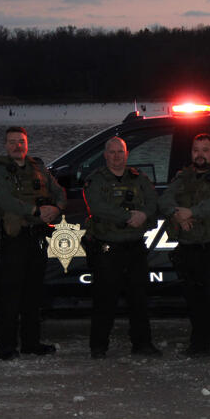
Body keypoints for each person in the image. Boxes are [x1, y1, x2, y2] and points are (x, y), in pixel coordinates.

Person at [158, 133, 210, 362]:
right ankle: (200, 345)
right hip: (189, 248)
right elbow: (164, 199)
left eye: (205, 150)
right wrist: (176, 214)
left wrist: (192, 212)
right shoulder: (184, 176)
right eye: (196, 150)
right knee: (196, 301)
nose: (200, 154)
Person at [0, 126, 67, 361]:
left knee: (33, 293)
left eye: (20, 142)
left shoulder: (38, 167)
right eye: (12, 142)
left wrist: (56, 208)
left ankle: (31, 343)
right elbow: (2, 198)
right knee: (11, 295)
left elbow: (58, 191)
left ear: (27, 144)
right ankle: (7, 347)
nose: (16, 146)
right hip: (16, 239)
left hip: (39, 237)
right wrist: (34, 210)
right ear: (5, 145)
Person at [82, 137, 160, 359]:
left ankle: (142, 344)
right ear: (105, 155)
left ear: (126, 154)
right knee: (104, 300)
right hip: (108, 249)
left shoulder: (138, 178)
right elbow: (97, 206)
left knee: (139, 299)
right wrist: (128, 217)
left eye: (121, 152)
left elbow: (153, 200)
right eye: (112, 152)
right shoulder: (96, 180)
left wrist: (144, 214)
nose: (117, 157)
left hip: (135, 248)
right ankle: (98, 347)